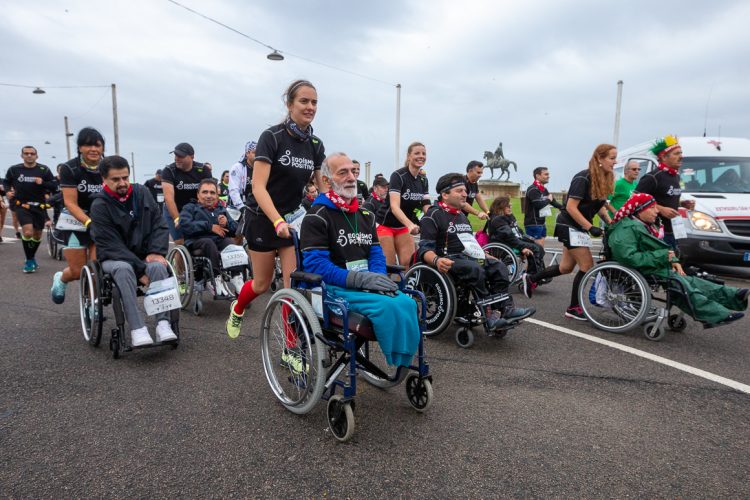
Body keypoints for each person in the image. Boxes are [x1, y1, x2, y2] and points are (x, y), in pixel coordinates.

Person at [226, 79, 325, 339]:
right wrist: (276, 221)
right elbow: (258, 187)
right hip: (263, 218)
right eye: (304, 101)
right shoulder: (271, 137)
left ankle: (290, 347)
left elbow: (323, 187)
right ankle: (238, 307)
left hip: (291, 220)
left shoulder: (315, 145)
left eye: (314, 102)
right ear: (290, 104)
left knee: (292, 286)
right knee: (261, 283)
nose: (310, 106)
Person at [300, 153, 420, 367]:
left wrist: (377, 278)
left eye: (353, 172)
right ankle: (397, 360)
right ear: (326, 180)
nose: (351, 177)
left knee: (408, 303)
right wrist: (360, 280)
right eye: (343, 172)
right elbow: (317, 266)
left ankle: (403, 361)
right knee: (387, 307)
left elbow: (375, 253)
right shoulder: (316, 216)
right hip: (334, 288)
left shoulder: (366, 215)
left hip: (364, 284)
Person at [608, 192, 747, 328]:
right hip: (642, 269)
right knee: (681, 284)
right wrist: (664, 257)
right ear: (639, 210)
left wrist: (673, 259)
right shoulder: (625, 229)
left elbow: (662, 251)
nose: (657, 211)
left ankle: (734, 296)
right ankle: (716, 315)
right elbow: (627, 257)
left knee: (693, 280)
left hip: (653, 265)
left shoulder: (642, 225)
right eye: (652, 207)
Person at [418, 173, 535, 330]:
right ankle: (489, 315)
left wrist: (485, 255)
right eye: (459, 191)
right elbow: (425, 249)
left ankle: (506, 308)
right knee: (474, 269)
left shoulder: (462, 216)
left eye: (465, 190)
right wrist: (437, 260)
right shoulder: (432, 215)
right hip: (446, 259)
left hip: (466, 257)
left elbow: (470, 244)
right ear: (445, 195)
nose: (465, 194)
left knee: (498, 266)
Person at [90, 155, 177, 347]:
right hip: (114, 257)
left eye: (125, 177)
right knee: (123, 269)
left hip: (144, 254)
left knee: (158, 266)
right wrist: (140, 270)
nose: (122, 183)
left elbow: (159, 224)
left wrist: (156, 252)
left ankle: (163, 324)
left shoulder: (142, 192)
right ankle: (138, 328)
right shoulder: (99, 205)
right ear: (104, 179)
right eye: (115, 179)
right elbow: (112, 245)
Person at [550, 144, 615, 320]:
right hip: (568, 225)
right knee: (586, 266)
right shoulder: (583, 178)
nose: (615, 162)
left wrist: (612, 222)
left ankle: (531, 279)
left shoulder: (602, 179)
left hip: (578, 227)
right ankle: (573, 308)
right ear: (599, 159)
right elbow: (571, 207)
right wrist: (590, 227)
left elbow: (599, 206)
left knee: (565, 267)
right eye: (612, 158)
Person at [50, 127, 106, 304]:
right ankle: (61, 278)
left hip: (100, 221)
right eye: (88, 145)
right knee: (76, 271)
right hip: (75, 220)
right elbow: (70, 203)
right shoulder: (69, 168)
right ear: (80, 148)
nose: (93, 149)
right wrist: (88, 222)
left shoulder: (108, 166)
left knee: (96, 269)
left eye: (97, 145)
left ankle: (91, 306)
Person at [179, 178, 243, 296]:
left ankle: (237, 277)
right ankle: (214, 279)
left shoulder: (221, 209)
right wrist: (209, 227)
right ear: (198, 195)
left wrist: (226, 224)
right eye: (205, 192)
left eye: (212, 193)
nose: (209, 196)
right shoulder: (190, 208)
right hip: (197, 241)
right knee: (209, 243)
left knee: (230, 243)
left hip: (218, 241)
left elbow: (235, 230)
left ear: (217, 196)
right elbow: (185, 226)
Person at [634, 135, 694, 251]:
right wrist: (661, 209)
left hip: (674, 230)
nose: (681, 156)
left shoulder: (676, 176)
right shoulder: (653, 177)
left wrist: (682, 204)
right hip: (656, 232)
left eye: (681, 153)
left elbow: (666, 198)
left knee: (675, 260)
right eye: (676, 154)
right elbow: (635, 199)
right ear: (663, 157)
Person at [376, 142, 431, 266]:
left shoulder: (423, 180)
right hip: (386, 225)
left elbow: (426, 205)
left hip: (403, 226)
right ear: (409, 156)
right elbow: (394, 206)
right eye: (417, 153)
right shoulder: (398, 176)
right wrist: (410, 225)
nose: (421, 156)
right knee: (389, 266)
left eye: (424, 153)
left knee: (408, 264)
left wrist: (434, 220)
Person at [3, 146, 56, 272]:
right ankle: (29, 260)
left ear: (37, 156)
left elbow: (54, 185)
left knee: (37, 236)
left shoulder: (44, 170)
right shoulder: (14, 169)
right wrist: (7, 191)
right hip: (22, 205)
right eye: (26, 153)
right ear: (22, 156)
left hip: (39, 207)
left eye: (32, 153)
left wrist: (43, 183)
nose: (29, 155)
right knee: (27, 232)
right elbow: (6, 182)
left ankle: (31, 257)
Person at [487, 196, 548, 296]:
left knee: (538, 247)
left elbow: (519, 232)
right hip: (505, 246)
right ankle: (532, 278)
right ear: (500, 207)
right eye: (508, 205)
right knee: (535, 249)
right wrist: (522, 247)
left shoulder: (508, 216)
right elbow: (510, 237)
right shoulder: (498, 220)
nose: (510, 206)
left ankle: (537, 274)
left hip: (514, 242)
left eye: (510, 205)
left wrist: (530, 239)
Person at [161, 142, 212, 245]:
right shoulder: (169, 171)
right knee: (181, 242)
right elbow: (169, 198)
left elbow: (210, 193)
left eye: (181, 156)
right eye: (176, 155)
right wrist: (177, 219)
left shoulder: (203, 170)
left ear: (192, 157)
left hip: (195, 209)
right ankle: (179, 254)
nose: (177, 158)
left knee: (202, 238)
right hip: (175, 209)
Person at [524, 166, 563, 246]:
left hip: (541, 223)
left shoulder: (543, 189)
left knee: (540, 249)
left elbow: (553, 202)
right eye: (546, 174)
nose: (548, 176)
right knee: (536, 249)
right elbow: (539, 205)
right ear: (537, 176)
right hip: (533, 224)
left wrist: (564, 208)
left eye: (548, 174)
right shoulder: (533, 189)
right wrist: (548, 199)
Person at [227, 141, 257, 245]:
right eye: (255, 152)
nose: (258, 155)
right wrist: (241, 206)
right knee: (236, 235)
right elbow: (233, 190)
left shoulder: (259, 168)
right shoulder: (238, 167)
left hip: (252, 206)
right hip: (237, 207)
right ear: (247, 153)